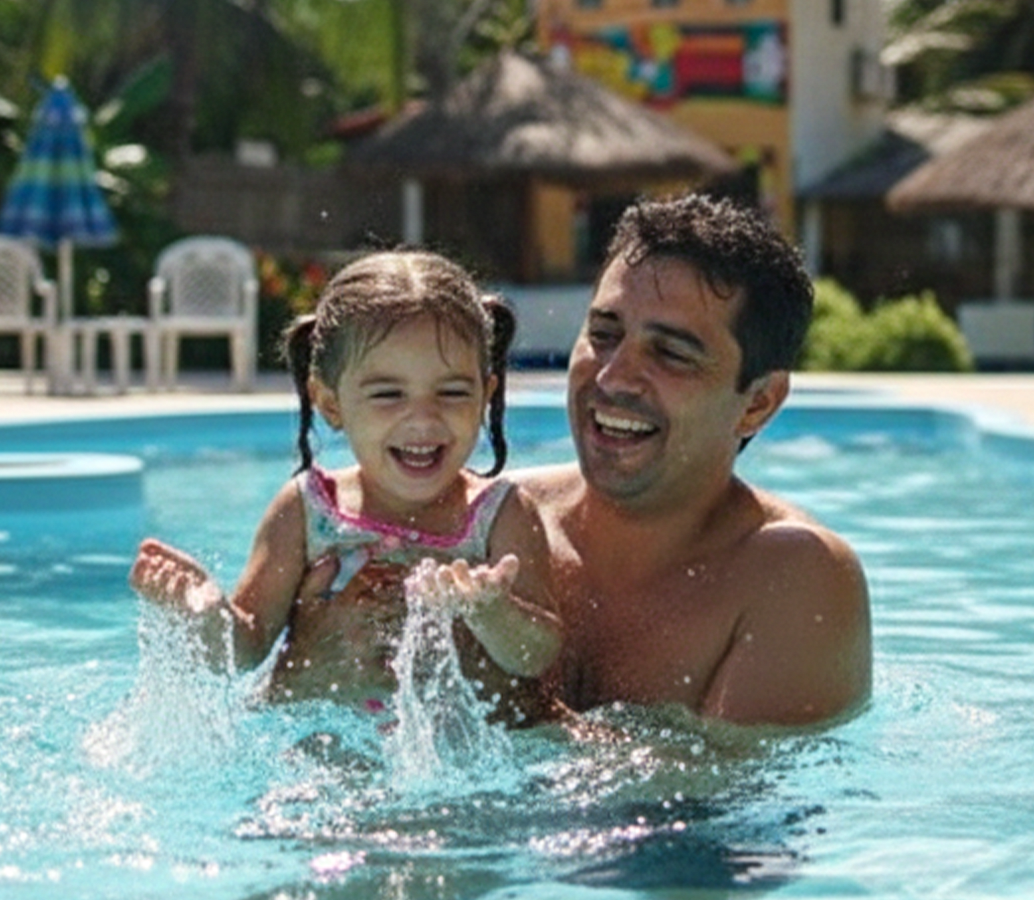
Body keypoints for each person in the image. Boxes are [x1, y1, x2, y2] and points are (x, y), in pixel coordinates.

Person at [129, 250, 560, 714]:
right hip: (331, 757)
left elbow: (536, 657)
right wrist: (209, 615)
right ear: (330, 403)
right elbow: (248, 647)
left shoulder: (501, 514)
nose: (423, 418)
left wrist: (492, 611)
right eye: (388, 394)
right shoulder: (306, 511)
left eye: (453, 392)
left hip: (463, 761)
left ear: (485, 396)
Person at [517, 192, 872, 727]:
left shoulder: (792, 576)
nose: (613, 377)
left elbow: (710, 794)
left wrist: (518, 703)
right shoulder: (497, 520)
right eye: (604, 334)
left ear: (758, 403)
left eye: (672, 354)